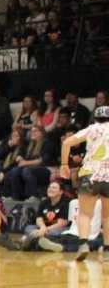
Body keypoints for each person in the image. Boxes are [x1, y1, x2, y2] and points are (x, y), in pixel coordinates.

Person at [59, 105, 109, 261]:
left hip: (89, 175)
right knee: (107, 216)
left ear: (95, 118)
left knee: (85, 214)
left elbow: (66, 143)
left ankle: (83, 244)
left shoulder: (91, 129)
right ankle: (108, 249)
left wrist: (64, 165)